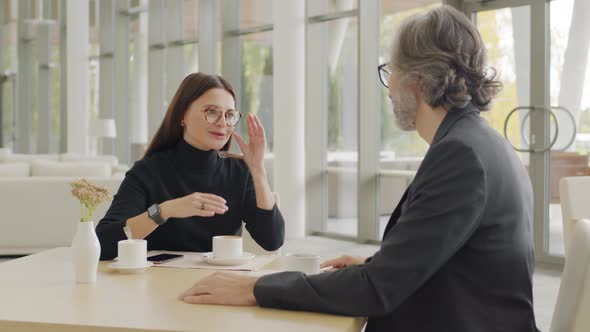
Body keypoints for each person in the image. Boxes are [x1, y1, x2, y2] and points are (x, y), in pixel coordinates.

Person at [177, 6, 539, 332]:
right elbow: (457, 257)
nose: (390, 88)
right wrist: (377, 262)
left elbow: (377, 289)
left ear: (417, 79)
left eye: (391, 72)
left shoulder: (461, 156)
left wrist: (254, 288)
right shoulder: (480, 143)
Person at [96, 73, 285, 260]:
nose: (222, 123)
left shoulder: (240, 171)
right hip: (160, 285)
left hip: (219, 285)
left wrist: (258, 171)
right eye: (211, 111)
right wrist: (163, 211)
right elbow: (103, 243)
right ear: (182, 114)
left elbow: (272, 241)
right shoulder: (148, 171)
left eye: (229, 115)